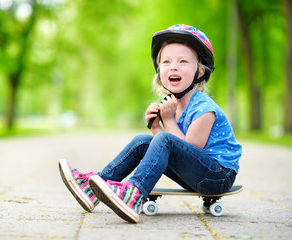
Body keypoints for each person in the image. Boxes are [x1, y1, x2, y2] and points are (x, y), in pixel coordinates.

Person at [58, 24, 242, 223]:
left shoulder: (204, 108)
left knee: (163, 138)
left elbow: (190, 148)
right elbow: (174, 150)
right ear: (159, 70)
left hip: (217, 177)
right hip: (198, 173)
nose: (173, 66)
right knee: (143, 141)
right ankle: (94, 187)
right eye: (166, 61)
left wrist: (167, 121)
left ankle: (134, 194)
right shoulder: (174, 105)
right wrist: (155, 127)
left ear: (199, 71)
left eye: (183, 61)